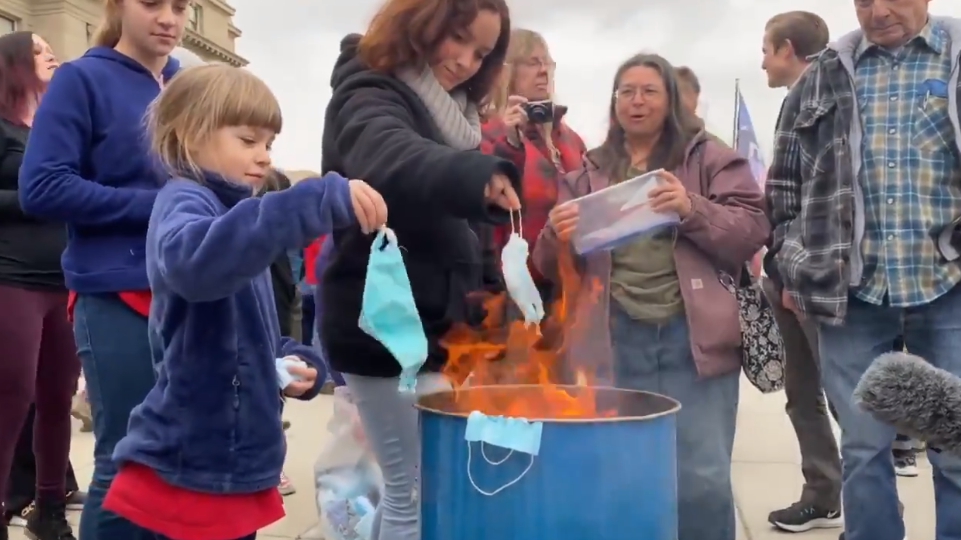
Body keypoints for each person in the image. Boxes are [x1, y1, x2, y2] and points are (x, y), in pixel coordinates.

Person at [99, 63, 386, 540]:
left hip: (232, 452)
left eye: (269, 144)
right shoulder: (185, 201)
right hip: (195, 452)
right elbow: (196, 266)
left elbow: (245, 328)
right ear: (191, 135)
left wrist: (291, 359)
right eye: (248, 140)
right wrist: (310, 203)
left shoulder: (235, 215)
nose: (264, 156)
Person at [533, 53, 768, 540]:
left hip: (695, 342)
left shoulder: (710, 158)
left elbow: (751, 231)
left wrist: (691, 207)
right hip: (615, 337)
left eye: (649, 91)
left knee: (702, 480)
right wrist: (556, 236)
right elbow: (546, 268)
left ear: (671, 100)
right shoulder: (587, 173)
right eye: (626, 91)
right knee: (621, 477)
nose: (636, 101)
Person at [317, 0, 521, 536]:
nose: (466, 61)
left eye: (482, 53)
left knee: (417, 490)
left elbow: (465, 240)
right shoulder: (367, 88)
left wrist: (498, 312)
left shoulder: (456, 118)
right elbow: (389, 153)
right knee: (414, 497)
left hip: (435, 330)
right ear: (422, 23)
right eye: (459, 38)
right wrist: (472, 177)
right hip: (384, 328)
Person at [765, 3, 961, 540]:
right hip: (853, 295)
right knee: (862, 449)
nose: (878, 10)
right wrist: (790, 264)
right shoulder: (824, 72)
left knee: (956, 448)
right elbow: (783, 185)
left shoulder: (954, 57)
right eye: (864, 0)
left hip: (948, 289)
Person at [17, 1, 187, 538]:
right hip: (116, 292)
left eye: (182, 6)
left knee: (182, 453)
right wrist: (160, 206)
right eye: (152, 2)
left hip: (192, 289)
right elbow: (42, 186)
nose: (169, 17)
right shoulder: (81, 80)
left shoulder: (187, 85)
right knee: (129, 456)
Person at [757, 10, 843, 534]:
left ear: (787, 48)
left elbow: (807, 195)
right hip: (794, 267)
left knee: (838, 394)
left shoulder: (819, 96)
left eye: (766, 50)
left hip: (811, 274)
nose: (763, 62)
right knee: (803, 392)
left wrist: (792, 275)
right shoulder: (800, 97)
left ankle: (872, 506)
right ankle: (824, 494)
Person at [0, 30, 81, 540]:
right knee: (10, 397)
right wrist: (38, 197)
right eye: (37, 49)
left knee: (58, 397)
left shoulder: (59, 130)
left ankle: (49, 507)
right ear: (13, 64)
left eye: (52, 48)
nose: (51, 54)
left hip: (65, 279)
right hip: (12, 277)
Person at [481, 28, 586, 319]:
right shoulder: (487, 136)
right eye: (532, 62)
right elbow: (485, 210)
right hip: (514, 291)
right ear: (507, 71)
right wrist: (509, 142)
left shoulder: (570, 140)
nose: (543, 71)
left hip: (571, 283)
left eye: (547, 63)